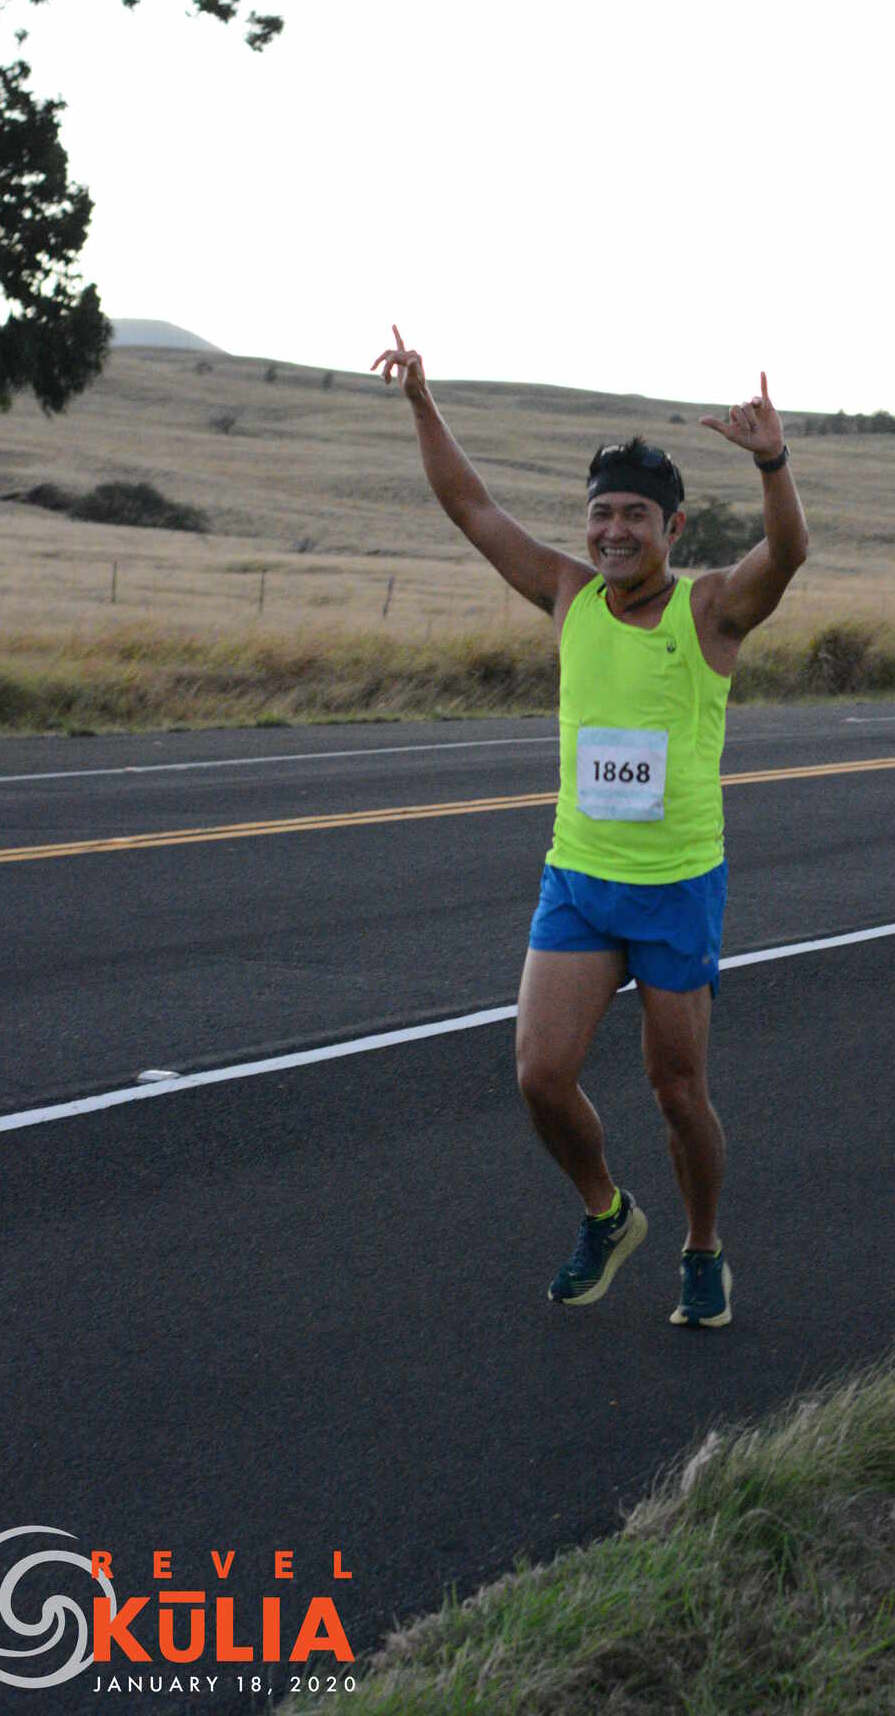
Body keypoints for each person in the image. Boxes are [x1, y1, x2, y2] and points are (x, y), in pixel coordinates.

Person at [373, 326, 808, 1324]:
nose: (614, 531)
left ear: (673, 526)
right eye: (601, 513)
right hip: (578, 879)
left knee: (676, 1092)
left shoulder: (711, 611)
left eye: (634, 516)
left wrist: (772, 462)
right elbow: (472, 507)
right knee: (538, 1074)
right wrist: (423, 402)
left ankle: (702, 1245)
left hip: (676, 887)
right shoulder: (568, 592)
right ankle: (607, 1213)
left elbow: (787, 552)